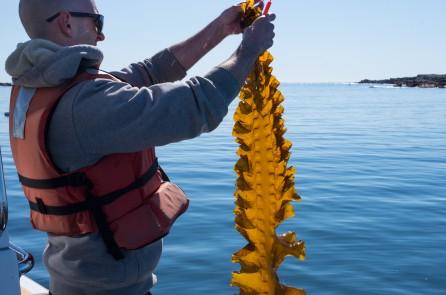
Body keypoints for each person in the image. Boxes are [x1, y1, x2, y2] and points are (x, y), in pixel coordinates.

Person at [5, 0, 275, 294]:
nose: (101, 35)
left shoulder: (40, 88)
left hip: (73, 281)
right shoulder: (83, 106)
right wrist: (248, 51)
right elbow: (195, 107)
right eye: (98, 22)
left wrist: (220, 28)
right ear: (67, 22)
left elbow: (152, 71)